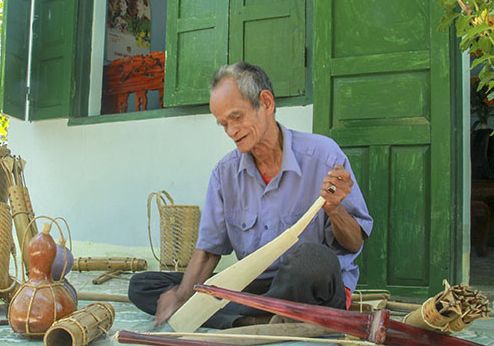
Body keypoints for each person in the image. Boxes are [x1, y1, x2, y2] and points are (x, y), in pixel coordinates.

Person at [128, 62, 373, 329]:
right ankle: (260, 318)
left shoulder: (324, 156)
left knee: (313, 260)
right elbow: (209, 252)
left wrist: (335, 209)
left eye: (236, 117)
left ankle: (250, 316)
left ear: (266, 103)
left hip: (307, 286)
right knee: (144, 285)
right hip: (254, 288)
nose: (231, 131)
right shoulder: (225, 174)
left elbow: (353, 244)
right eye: (223, 124)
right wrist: (183, 296)